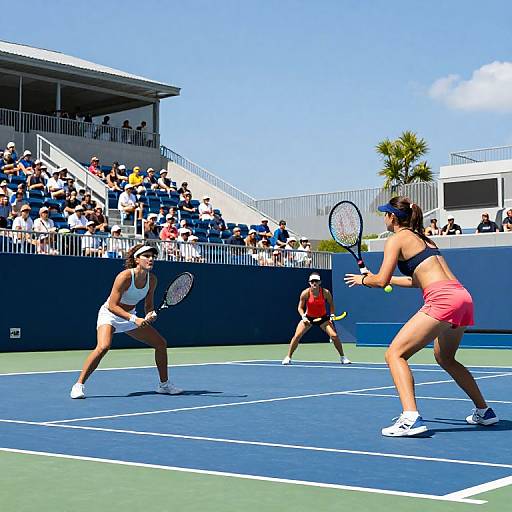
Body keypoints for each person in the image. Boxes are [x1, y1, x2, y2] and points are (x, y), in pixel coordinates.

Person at [344, 197, 499, 437]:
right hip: (462, 297)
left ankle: (410, 418)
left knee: (395, 354)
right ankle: (484, 411)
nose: (384, 218)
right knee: (445, 358)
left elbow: (381, 281)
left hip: (443, 300)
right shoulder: (425, 239)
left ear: (392, 217)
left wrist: (365, 279)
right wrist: (377, 278)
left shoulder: (396, 239)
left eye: (385, 214)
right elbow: (417, 280)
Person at [69, 244, 182, 399]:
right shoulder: (125, 277)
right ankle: (78, 385)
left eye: (153, 257)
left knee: (160, 343)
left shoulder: (152, 279)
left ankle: (164, 385)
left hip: (130, 316)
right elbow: (112, 305)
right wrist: (134, 319)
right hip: (110, 314)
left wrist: (150, 314)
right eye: (147, 256)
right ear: (137, 259)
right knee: (103, 347)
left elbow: (148, 305)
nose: (151, 259)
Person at [282, 273, 351, 366]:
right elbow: (300, 308)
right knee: (297, 335)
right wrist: (303, 317)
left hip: (323, 318)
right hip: (309, 318)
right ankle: (288, 357)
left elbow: (331, 304)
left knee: (334, 336)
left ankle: (343, 357)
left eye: (316, 281)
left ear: (320, 282)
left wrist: (332, 314)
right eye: (312, 281)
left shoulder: (326, 293)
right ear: (309, 283)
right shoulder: (305, 293)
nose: (314, 283)